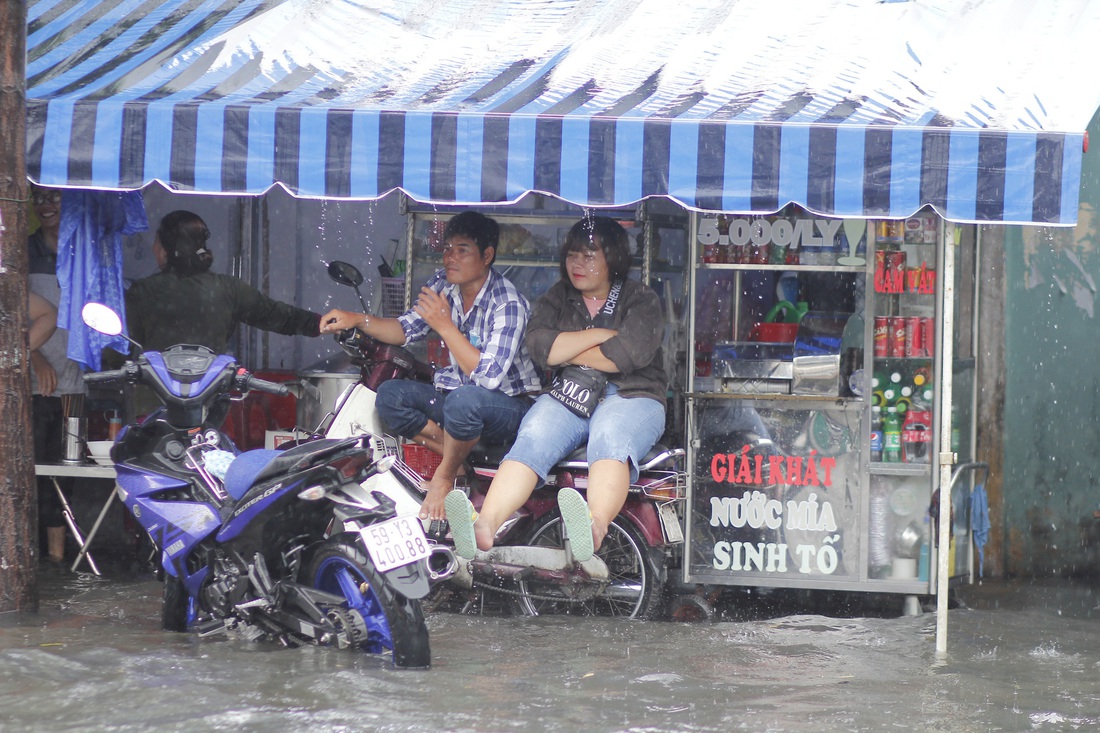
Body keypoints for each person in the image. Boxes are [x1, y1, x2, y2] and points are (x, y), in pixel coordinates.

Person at [445, 216, 667, 562]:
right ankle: (484, 527)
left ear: (614, 259)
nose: (577, 264)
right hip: (570, 392)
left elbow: (626, 355)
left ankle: (593, 527)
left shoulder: (640, 298)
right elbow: (541, 349)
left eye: (590, 256)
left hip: (631, 394)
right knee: (533, 435)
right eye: (572, 255)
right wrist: (598, 337)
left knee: (609, 436)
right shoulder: (557, 298)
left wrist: (569, 349)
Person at [320, 211, 541, 522]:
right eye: (447, 248)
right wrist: (357, 319)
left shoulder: (508, 303)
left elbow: (489, 378)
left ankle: (444, 477)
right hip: (461, 399)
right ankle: (460, 460)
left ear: (487, 255)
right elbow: (404, 329)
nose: (450, 258)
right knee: (391, 396)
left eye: (462, 249)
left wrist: (445, 325)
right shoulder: (444, 284)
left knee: (464, 401)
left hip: (509, 407)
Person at [124, 210, 324, 355]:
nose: (152, 247)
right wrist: (321, 323)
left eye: (156, 241)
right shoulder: (229, 289)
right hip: (210, 396)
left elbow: (121, 347)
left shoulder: (141, 292)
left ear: (164, 249)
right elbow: (278, 316)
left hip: (155, 398)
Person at [28, 184, 86, 562]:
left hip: (73, 383)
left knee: (63, 476)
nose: (46, 205)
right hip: (30, 381)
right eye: (40, 197)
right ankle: (29, 562)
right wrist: (31, 356)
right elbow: (11, 312)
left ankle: (58, 564)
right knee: (28, 471)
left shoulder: (84, 251)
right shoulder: (22, 250)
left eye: (55, 197)